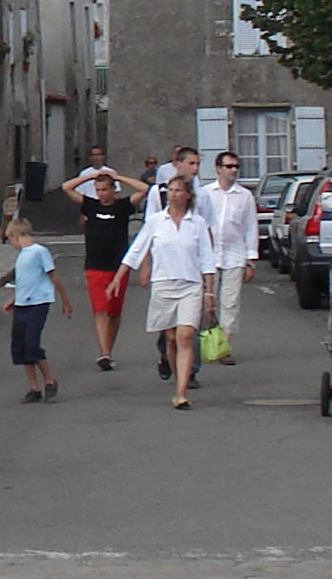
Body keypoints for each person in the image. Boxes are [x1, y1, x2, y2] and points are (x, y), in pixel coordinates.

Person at [125, 173, 215, 409]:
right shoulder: (156, 221)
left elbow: (207, 258)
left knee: (185, 335)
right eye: (170, 191)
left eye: (177, 191)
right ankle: (179, 380)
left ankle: (181, 392)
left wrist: (209, 291)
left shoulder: (197, 223)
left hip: (191, 284)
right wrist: (119, 277)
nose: (173, 195)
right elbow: (138, 248)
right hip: (163, 283)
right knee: (172, 338)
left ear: (187, 195)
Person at [65, 165, 141, 369]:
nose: (102, 194)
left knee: (114, 312)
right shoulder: (90, 205)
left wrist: (119, 176)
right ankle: (104, 353)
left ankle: (109, 349)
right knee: (100, 310)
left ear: (113, 189)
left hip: (118, 267)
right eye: (98, 190)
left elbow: (144, 189)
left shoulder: (123, 207)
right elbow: (67, 187)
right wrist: (91, 176)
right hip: (95, 266)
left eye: (105, 189)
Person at [199, 151, 260, 364]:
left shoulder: (244, 196)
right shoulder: (206, 193)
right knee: (208, 300)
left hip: (235, 254)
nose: (233, 170)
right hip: (209, 255)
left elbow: (251, 228)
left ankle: (224, 347)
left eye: (236, 167)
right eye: (229, 166)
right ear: (218, 168)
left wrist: (250, 260)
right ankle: (207, 341)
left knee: (230, 302)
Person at [4, 217, 69, 402]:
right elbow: (27, 282)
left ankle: (49, 380)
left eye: (10, 239)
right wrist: (15, 299)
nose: (11, 244)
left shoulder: (39, 252)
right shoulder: (22, 255)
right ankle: (34, 387)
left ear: (16, 236)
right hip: (22, 304)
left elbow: (53, 276)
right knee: (21, 347)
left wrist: (65, 300)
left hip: (38, 303)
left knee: (32, 344)